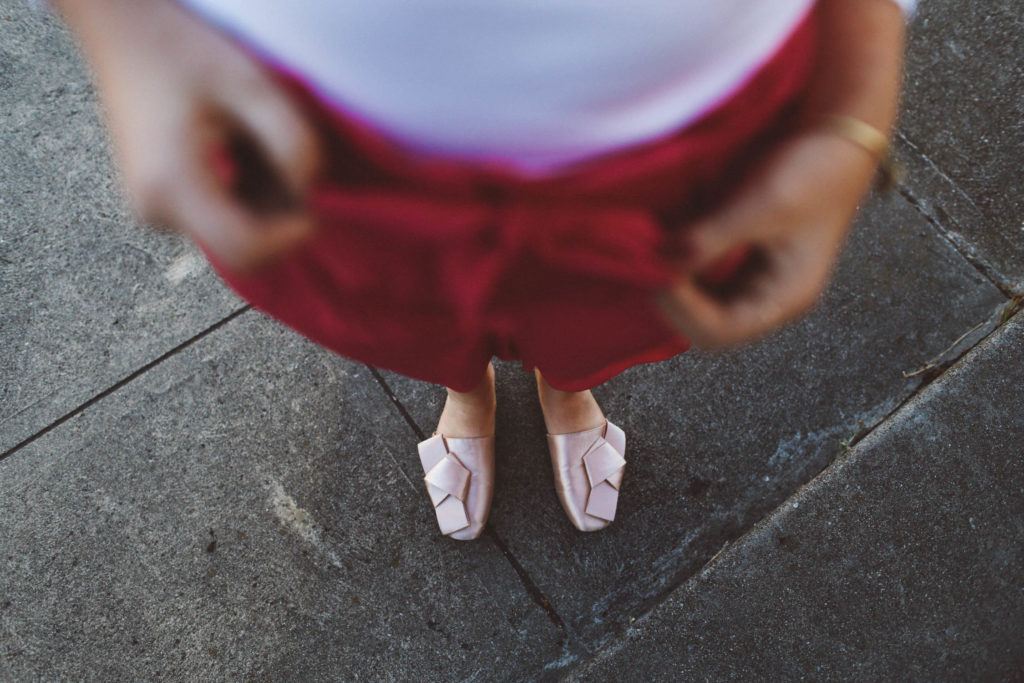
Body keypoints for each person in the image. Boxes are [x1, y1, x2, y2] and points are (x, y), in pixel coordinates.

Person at [51, 0, 913, 540]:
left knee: (607, 324)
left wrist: (854, 102)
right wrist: (128, 27)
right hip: (321, 139)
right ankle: (466, 391)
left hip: (684, 147)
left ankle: (567, 388)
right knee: (409, 327)